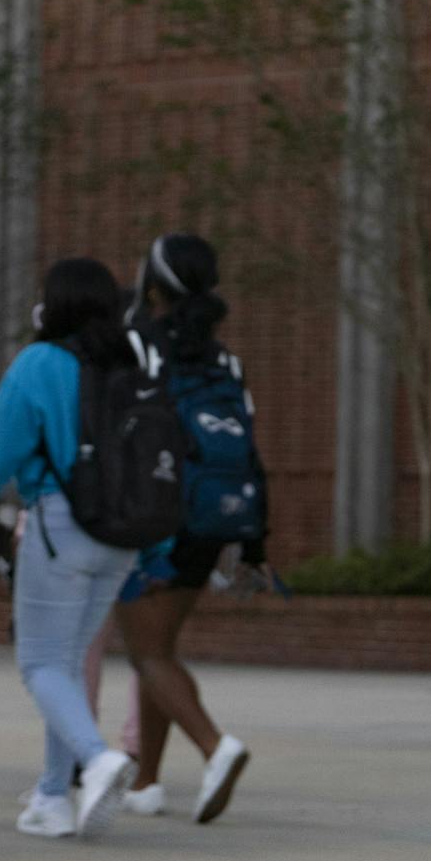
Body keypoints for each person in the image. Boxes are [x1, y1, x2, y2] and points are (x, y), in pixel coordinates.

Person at [0, 257, 140, 839]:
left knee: (40, 663)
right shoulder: (131, 362)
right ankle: (52, 797)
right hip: (122, 537)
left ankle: (97, 759)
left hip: (59, 526)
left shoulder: (39, 363)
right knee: (65, 664)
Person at [116, 233, 271, 823]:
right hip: (214, 519)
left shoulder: (138, 347)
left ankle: (215, 746)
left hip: (155, 520)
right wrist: (253, 544)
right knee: (159, 648)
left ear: (151, 287)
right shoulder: (224, 358)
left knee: (146, 651)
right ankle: (147, 782)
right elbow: (250, 453)